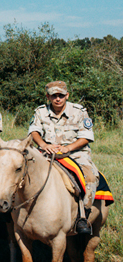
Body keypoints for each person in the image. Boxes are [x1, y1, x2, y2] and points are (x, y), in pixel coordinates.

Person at [28, 81, 97, 235]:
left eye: (60, 95)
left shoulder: (79, 112)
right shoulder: (40, 112)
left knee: (91, 178)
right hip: (47, 152)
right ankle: (15, 212)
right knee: (22, 171)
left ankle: (83, 216)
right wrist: (44, 144)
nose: (57, 99)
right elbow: (34, 131)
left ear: (67, 95)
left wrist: (68, 148)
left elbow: (86, 137)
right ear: (48, 96)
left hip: (75, 153)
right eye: (54, 95)